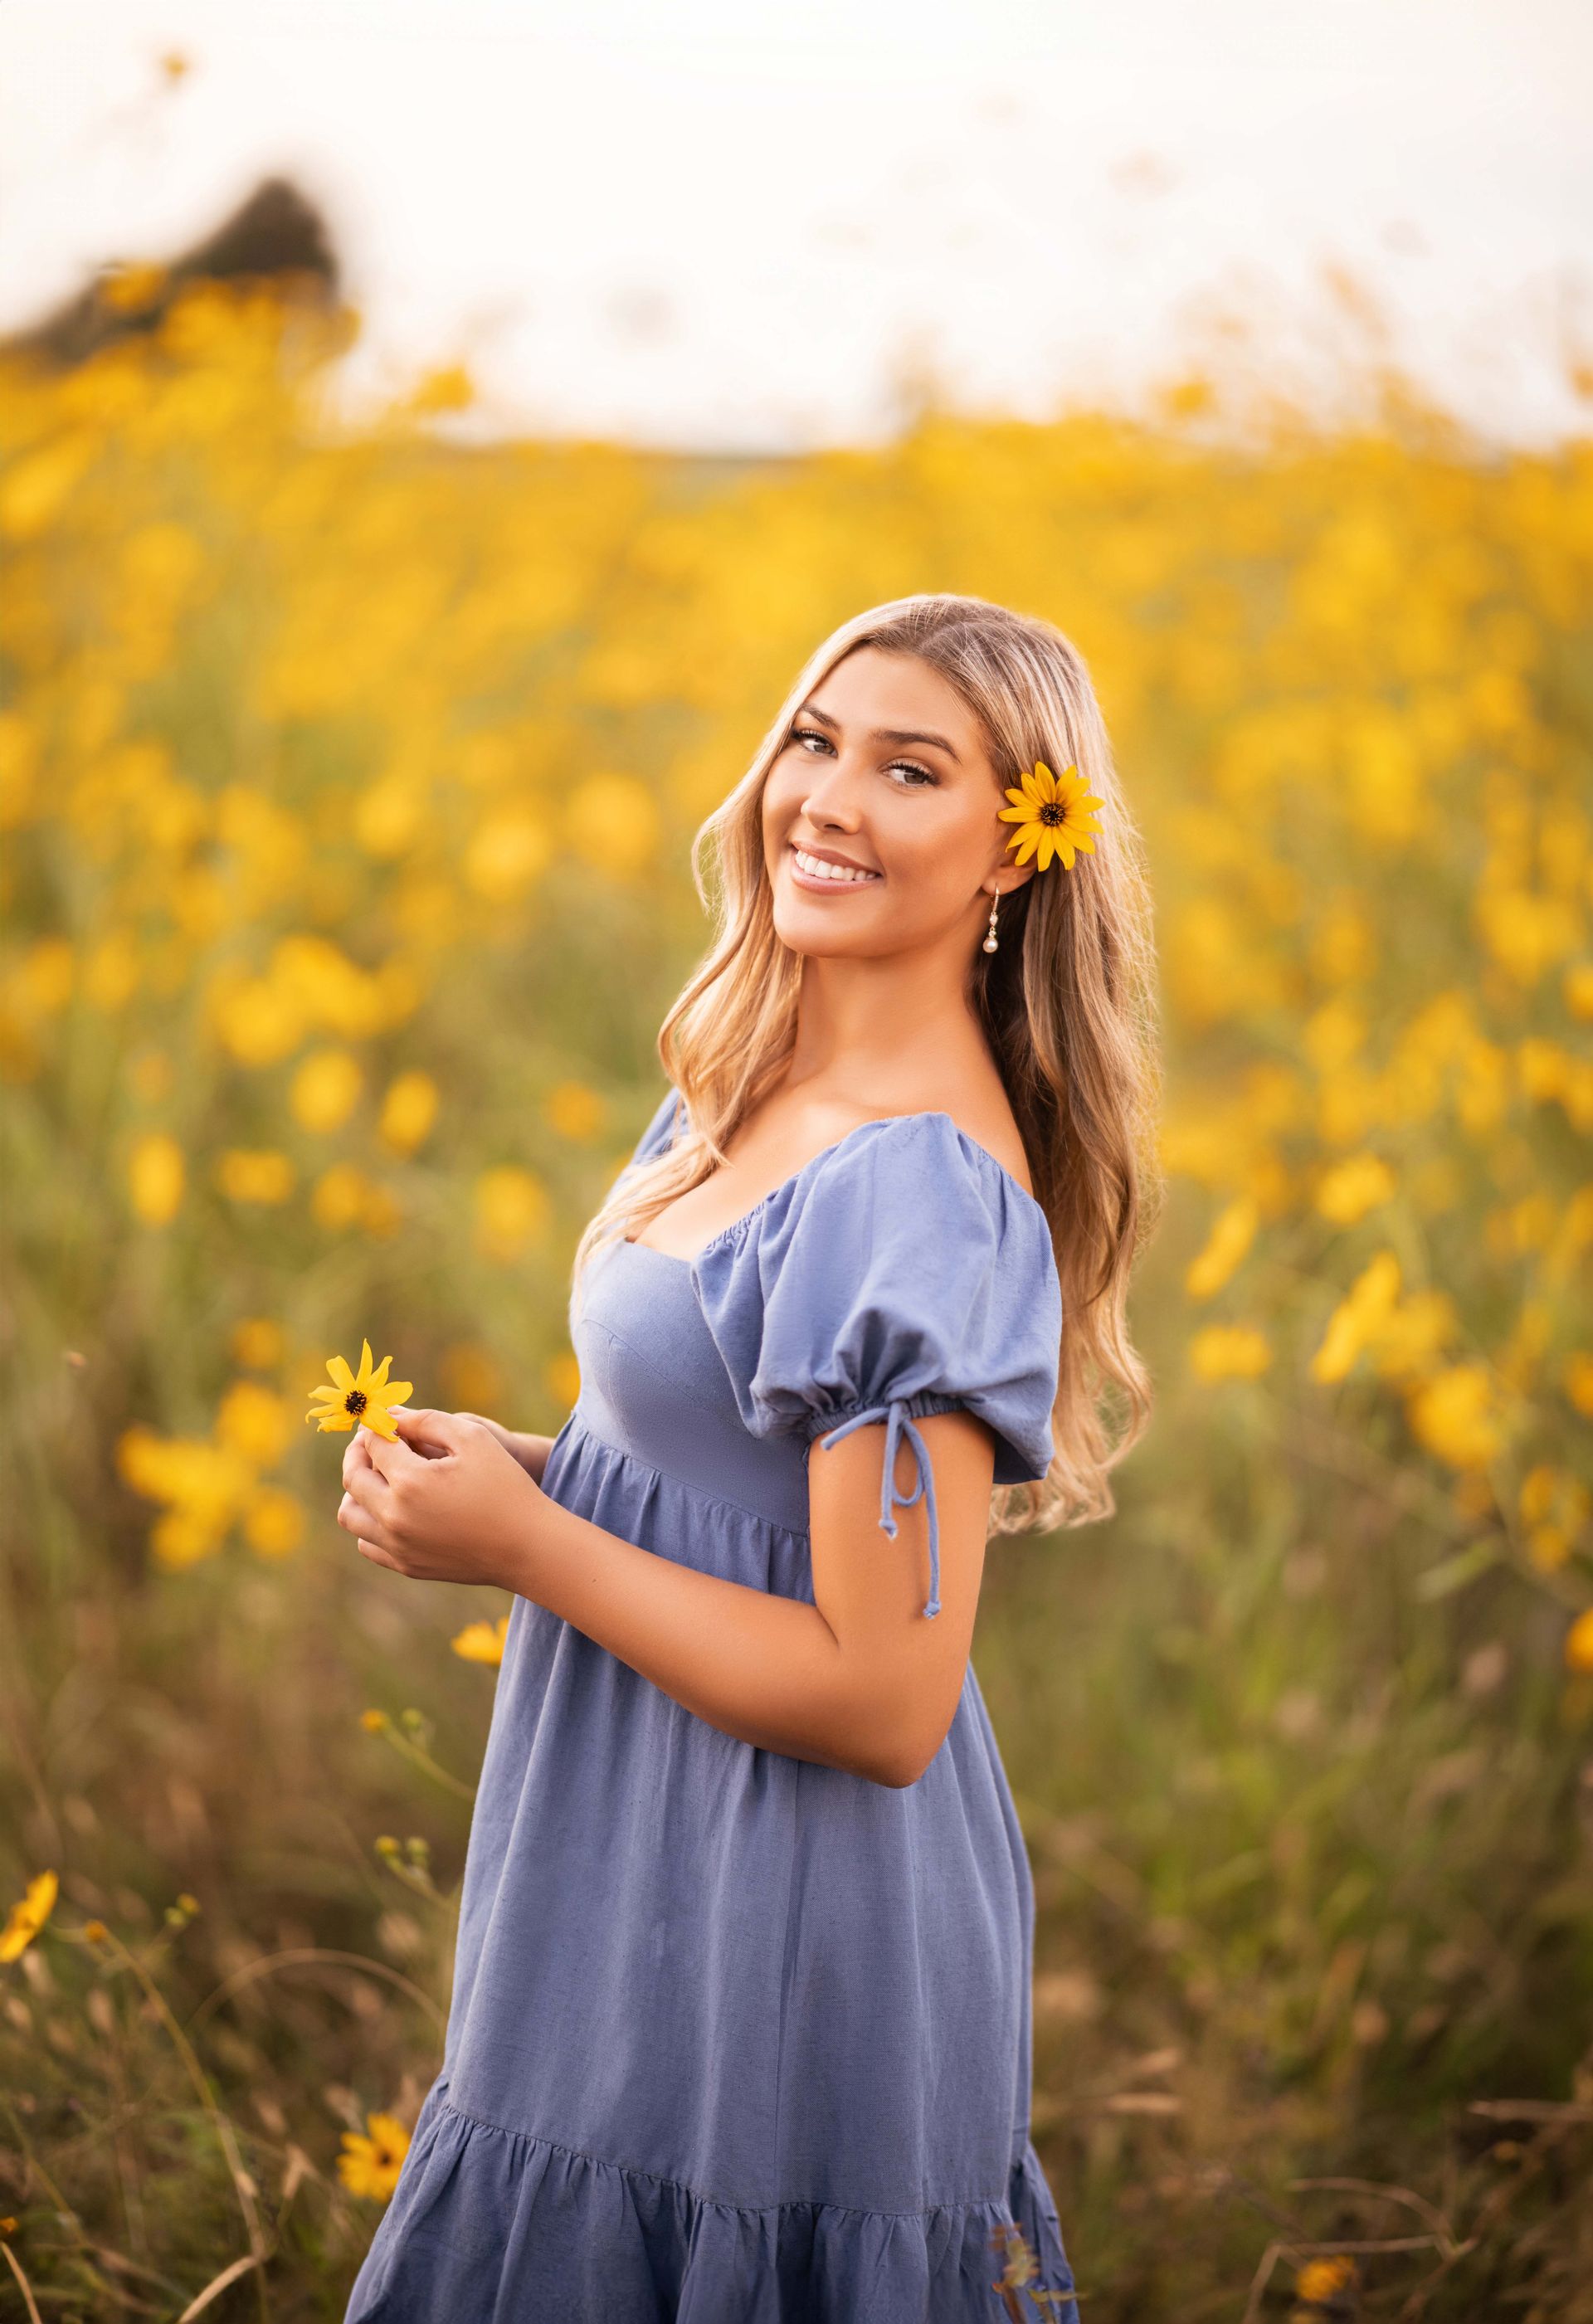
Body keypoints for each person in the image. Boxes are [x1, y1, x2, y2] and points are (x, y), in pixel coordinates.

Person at [336, 592, 1162, 2321]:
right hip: (625, 1839)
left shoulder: (918, 1190)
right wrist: (540, 1468)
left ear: (1020, 849)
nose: (829, 801)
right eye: (816, 738)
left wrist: (530, 1547)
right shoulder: (751, 1073)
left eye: (912, 770)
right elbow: (731, 1477)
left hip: (778, 1911)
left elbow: (884, 1697)